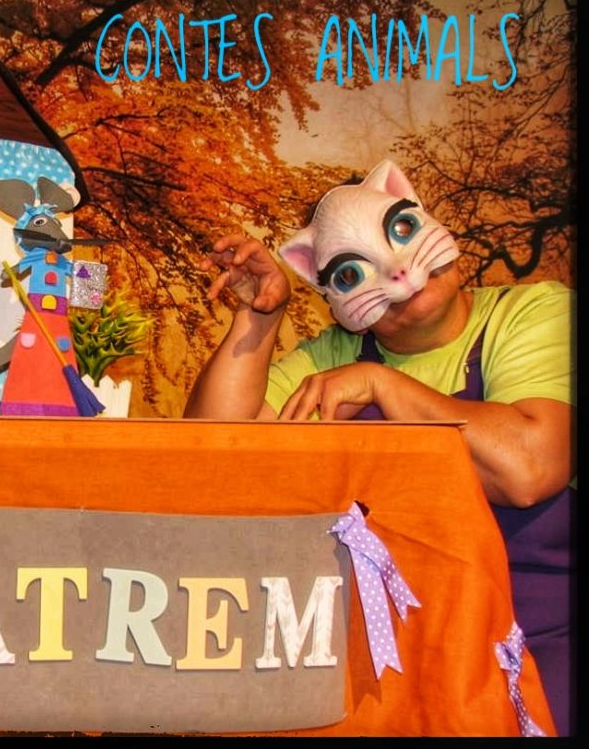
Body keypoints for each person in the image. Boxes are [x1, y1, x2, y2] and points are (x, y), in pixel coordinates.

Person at [184, 160, 575, 736]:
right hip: (384, 661)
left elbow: (529, 468)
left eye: (401, 230)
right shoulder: (331, 356)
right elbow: (213, 460)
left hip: (534, 646)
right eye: (350, 272)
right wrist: (258, 318)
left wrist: (383, 386)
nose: (398, 269)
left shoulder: (531, 314)